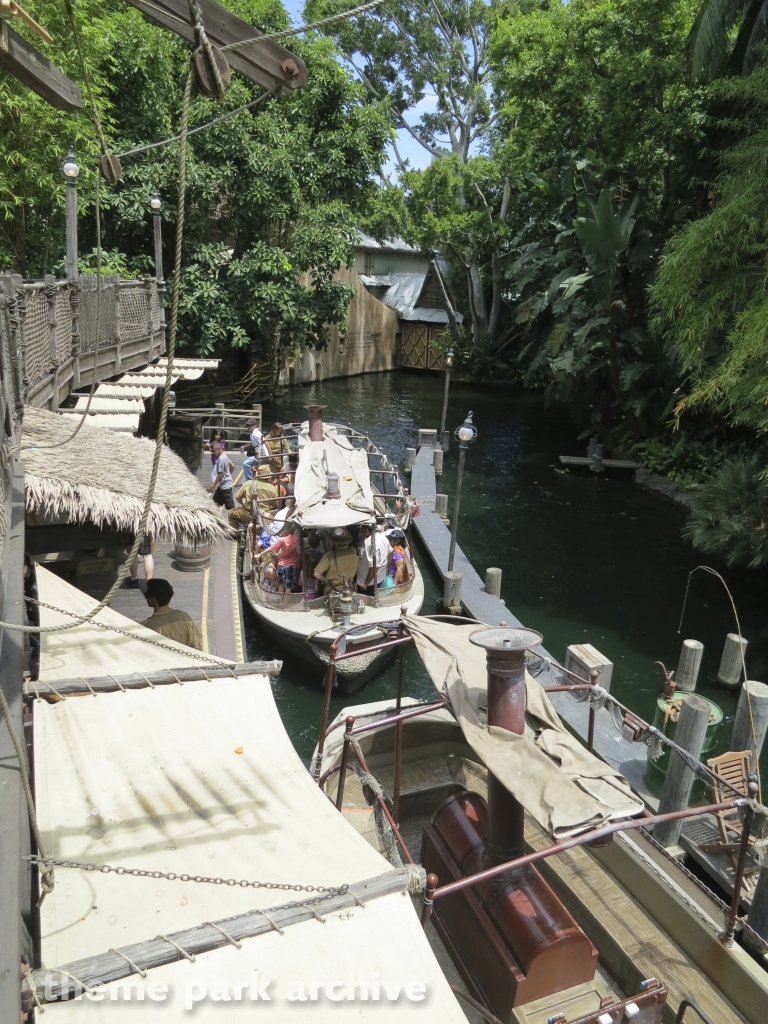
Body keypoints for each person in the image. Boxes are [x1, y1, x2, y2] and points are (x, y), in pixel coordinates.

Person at [141, 578, 202, 650]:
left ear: (153, 600)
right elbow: (197, 648)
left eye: (146, 596)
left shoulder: (145, 627)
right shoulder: (185, 617)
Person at [313, 527, 358, 594]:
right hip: (348, 589)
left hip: (331, 591)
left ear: (334, 542)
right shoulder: (353, 551)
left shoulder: (329, 555)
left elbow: (316, 574)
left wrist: (324, 580)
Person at [355, 524, 390, 596]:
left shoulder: (369, 543)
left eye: (362, 531)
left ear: (366, 530)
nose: (361, 533)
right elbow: (391, 552)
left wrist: (366, 583)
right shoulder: (383, 538)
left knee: (366, 600)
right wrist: (386, 566)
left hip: (368, 583)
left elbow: (374, 566)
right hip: (379, 578)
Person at [265, 528, 300, 593]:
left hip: (281, 565)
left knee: (281, 585)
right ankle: (286, 600)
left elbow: (271, 548)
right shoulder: (297, 539)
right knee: (288, 587)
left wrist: (260, 554)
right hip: (291, 566)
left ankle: (281, 599)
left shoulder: (282, 539)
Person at [209, 441, 235, 510]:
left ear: (219, 449)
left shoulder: (220, 459)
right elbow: (232, 466)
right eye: (211, 451)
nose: (213, 453)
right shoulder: (225, 455)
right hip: (223, 485)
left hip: (226, 487)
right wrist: (228, 475)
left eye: (214, 451)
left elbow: (220, 475)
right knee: (215, 501)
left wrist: (213, 485)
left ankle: (235, 516)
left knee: (231, 507)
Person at [242, 418, 268, 482]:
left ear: (254, 426)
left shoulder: (255, 433)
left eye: (249, 426)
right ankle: (252, 479)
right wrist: (245, 446)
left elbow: (266, 442)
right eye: (247, 425)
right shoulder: (252, 433)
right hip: (257, 454)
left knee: (246, 464)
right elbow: (253, 443)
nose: (248, 427)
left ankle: (249, 480)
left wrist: (269, 455)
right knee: (253, 467)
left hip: (262, 455)